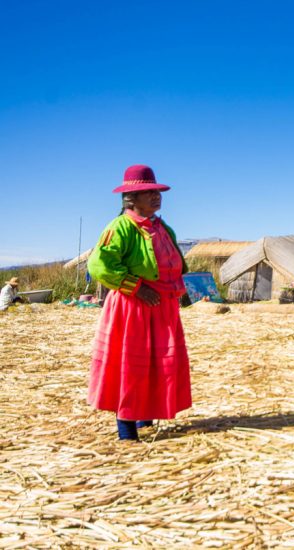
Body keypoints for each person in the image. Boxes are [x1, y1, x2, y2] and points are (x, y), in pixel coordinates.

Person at [87, 164, 192, 440]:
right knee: (132, 367)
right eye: (148, 192)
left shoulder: (161, 226)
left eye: (157, 192)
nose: (156, 197)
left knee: (157, 365)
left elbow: (175, 263)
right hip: (134, 307)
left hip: (162, 308)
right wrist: (135, 287)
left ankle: (147, 419)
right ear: (131, 199)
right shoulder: (121, 227)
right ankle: (127, 431)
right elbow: (100, 266)